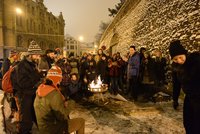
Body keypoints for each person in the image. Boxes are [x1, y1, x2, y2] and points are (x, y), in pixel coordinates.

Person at [34, 65, 85, 134]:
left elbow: (51, 106)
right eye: (59, 79)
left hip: (43, 127)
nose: (59, 82)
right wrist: (73, 101)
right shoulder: (54, 94)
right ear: (55, 79)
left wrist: (63, 103)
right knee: (81, 122)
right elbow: (62, 116)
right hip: (52, 128)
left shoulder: (40, 89)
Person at [11, 41, 43, 133]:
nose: (38, 57)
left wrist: (40, 77)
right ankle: (24, 131)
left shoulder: (32, 64)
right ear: (31, 54)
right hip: (24, 95)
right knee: (25, 116)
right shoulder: (22, 65)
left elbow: (33, 77)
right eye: (36, 55)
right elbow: (22, 83)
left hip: (31, 93)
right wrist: (36, 81)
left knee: (32, 113)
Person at [169, 40, 200, 134]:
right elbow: (176, 84)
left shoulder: (196, 62)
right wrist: (175, 99)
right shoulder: (176, 68)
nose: (179, 61)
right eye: (175, 59)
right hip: (189, 99)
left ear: (184, 53)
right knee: (188, 124)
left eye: (180, 57)